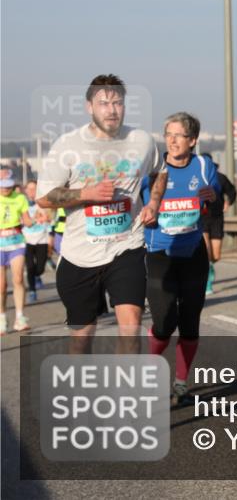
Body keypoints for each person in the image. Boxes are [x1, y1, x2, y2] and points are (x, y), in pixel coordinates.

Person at [36, 74, 166, 354]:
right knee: (82, 339)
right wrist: (86, 194)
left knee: (131, 327)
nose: (111, 109)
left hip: (126, 245)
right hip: (80, 254)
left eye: (117, 102)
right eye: (103, 103)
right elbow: (43, 198)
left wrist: (153, 203)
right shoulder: (68, 146)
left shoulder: (141, 141)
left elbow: (161, 171)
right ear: (89, 107)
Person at [143, 113, 220, 405]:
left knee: (189, 323)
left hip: (192, 253)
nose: (172, 141)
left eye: (179, 135)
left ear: (192, 140)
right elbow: (136, 204)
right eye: (168, 134)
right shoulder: (152, 170)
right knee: (164, 322)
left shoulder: (203, 166)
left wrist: (214, 199)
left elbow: (216, 209)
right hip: (160, 254)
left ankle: (180, 384)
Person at [0, 169, 34, 334]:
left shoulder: (20, 198)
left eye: (8, 185)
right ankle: (2, 317)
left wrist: (31, 221)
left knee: (18, 278)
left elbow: (27, 219)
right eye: (2, 186)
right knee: (1, 285)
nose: (5, 189)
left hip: (16, 241)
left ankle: (20, 317)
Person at [201, 153, 237, 295]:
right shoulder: (197, 179)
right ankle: (207, 281)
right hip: (202, 219)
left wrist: (228, 202)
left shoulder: (220, 178)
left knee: (216, 256)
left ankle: (210, 267)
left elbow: (232, 191)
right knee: (206, 251)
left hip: (217, 219)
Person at [23, 180, 53, 303]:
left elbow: (50, 220)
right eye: (29, 189)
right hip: (26, 240)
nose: (31, 191)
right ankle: (32, 291)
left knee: (40, 268)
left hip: (42, 239)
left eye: (34, 188)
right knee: (30, 267)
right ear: (25, 190)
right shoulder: (22, 204)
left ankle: (37, 276)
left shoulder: (43, 203)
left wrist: (51, 237)